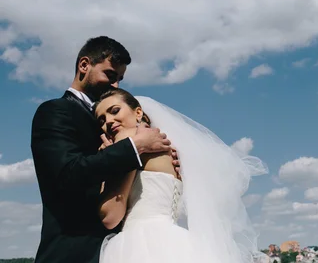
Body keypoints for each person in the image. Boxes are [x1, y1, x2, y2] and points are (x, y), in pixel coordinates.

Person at [30, 36, 179, 263]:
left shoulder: (118, 123)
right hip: (74, 252)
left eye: (119, 78)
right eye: (110, 75)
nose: (116, 84)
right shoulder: (55, 111)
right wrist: (135, 148)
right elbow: (67, 173)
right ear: (84, 66)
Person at [93, 87, 267, 263]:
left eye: (115, 111)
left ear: (138, 112)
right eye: (102, 119)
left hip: (141, 244)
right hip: (175, 242)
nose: (108, 121)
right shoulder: (172, 147)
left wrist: (124, 155)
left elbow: (110, 217)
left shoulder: (130, 143)